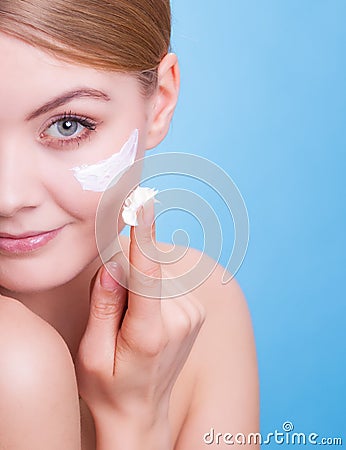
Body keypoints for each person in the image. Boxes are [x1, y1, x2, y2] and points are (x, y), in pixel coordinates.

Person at [0, 1, 259, 449]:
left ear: (160, 102)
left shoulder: (203, 304)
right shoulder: (13, 361)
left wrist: (133, 415)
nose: (8, 196)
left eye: (67, 125)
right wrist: (133, 423)